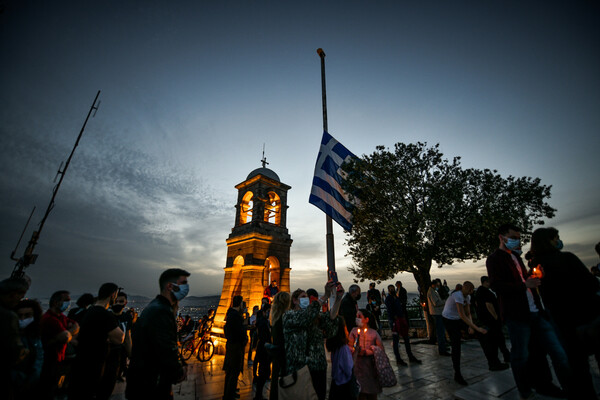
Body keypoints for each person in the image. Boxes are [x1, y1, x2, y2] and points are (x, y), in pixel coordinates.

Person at [487, 223, 571, 399]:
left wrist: (533, 277)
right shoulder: (495, 259)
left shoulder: (516, 258)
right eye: (513, 237)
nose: (517, 241)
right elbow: (497, 285)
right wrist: (524, 284)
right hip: (517, 315)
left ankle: (550, 385)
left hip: (535, 311)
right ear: (502, 237)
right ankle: (525, 390)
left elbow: (524, 281)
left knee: (554, 351)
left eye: (518, 237)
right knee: (521, 356)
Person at [530, 227, 600, 399]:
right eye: (556, 238)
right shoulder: (566, 258)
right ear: (550, 241)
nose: (558, 241)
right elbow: (591, 284)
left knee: (578, 368)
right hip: (587, 316)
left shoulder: (536, 268)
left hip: (563, 323)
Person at [126, 268, 190, 400]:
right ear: (170, 286)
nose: (186, 288)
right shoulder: (161, 311)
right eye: (183, 283)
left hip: (143, 382)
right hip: (151, 386)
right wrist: (178, 371)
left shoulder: (155, 307)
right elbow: (165, 348)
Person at [283, 282, 344, 400]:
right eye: (303, 297)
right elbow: (303, 318)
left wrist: (338, 299)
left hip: (318, 367)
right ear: (295, 300)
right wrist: (325, 295)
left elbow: (330, 318)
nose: (307, 299)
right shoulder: (289, 316)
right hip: (299, 368)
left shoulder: (314, 316)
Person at [69, 283, 125, 400]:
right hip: (95, 366)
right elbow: (119, 338)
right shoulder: (104, 315)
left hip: (81, 363)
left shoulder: (88, 311)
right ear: (113, 295)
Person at [442, 281, 487, 385]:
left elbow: (468, 313)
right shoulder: (457, 295)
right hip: (449, 320)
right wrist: (475, 327)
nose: (470, 291)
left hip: (458, 319)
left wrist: (471, 326)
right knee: (456, 344)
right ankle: (457, 374)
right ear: (463, 288)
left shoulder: (468, 297)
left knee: (479, 333)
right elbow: (462, 315)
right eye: (468, 289)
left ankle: (492, 361)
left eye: (471, 290)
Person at [40, 290, 79, 399]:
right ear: (56, 302)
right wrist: (68, 335)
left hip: (60, 359)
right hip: (49, 359)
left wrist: (68, 335)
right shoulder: (49, 319)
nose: (68, 304)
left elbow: (76, 326)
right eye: (66, 301)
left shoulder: (61, 317)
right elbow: (66, 336)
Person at [97, 291, 133, 399]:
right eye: (116, 301)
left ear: (125, 303)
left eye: (121, 301)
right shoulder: (106, 316)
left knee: (110, 382)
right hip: (104, 354)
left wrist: (131, 356)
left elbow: (127, 337)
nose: (118, 303)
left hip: (118, 354)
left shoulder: (127, 317)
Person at [1, 278, 31, 400]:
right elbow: (15, 352)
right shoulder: (8, 316)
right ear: (13, 294)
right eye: (20, 296)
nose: (19, 301)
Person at [474, 276, 510, 370]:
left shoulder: (479, 292)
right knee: (494, 341)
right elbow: (489, 305)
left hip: (487, 320)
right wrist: (496, 317)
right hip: (491, 321)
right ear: (485, 282)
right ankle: (496, 363)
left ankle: (506, 356)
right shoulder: (484, 292)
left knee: (499, 339)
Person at [11, 299, 44, 399]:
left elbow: (39, 358)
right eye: (20, 315)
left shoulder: (35, 335)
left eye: (27, 315)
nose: (23, 319)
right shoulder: (11, 336)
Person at [349, 309, 383, 400]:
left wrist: (367, 352)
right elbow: (349, 347)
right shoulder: (353, 331)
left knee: (372, 393)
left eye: (359, 316)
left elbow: (380, 349)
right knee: (360, 393)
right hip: (358, 368)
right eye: (356, 316)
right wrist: (355, 350)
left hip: (371, 368)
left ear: (366, 319)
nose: (357, 318)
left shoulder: (373, 333)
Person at [385, 285, 420, 366]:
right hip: (394, 320)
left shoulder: (396, 298)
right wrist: (394, 317)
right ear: (389, 290)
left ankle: (410, 356)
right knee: (396, 340)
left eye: (393, 288)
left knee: (406, 338)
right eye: (391, 289)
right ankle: (398, 359)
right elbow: (389, 309)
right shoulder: (388, 299)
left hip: (401, 319)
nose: (392, 290)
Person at [326, 316, 358, 400]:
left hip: (335, 385)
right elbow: (349, 369)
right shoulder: (343, 348)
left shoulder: (335, 347)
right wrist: (356, 352)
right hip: (344, 387)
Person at [223, 295, 247, 400]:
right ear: (240, 303)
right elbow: (239, 332)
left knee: (230, 372)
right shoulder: (235, 316)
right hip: (235, 347)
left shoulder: (231, 314)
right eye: (242, 303)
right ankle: (229, 396)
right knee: (233, 372)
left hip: (232, 346)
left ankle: (230, 393)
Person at [268, 291, 290, 400]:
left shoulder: (274, 317)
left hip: (277, 357)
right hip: (284, 357)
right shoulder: (285, 318)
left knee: (275, 384)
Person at [426, 279, 449, 356]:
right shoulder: (431, 292)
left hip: (438, 313)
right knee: (440, 332)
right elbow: (436, 303)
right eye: (437, 285)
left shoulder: (433, 291)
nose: (438, 287)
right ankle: (442, 349)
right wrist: (445, 301)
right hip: (437, 313)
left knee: (441, 331)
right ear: (433, 285)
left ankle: (443, 347)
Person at [253, 308, 272, 400]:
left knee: (262, 371)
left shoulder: (259, 322)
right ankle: (258, 396)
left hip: (261, 347)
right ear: (264, 313)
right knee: (264, 372)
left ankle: (258, 395)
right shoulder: (264, 322)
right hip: (264, 349)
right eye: (267, 311)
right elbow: (266, 336)